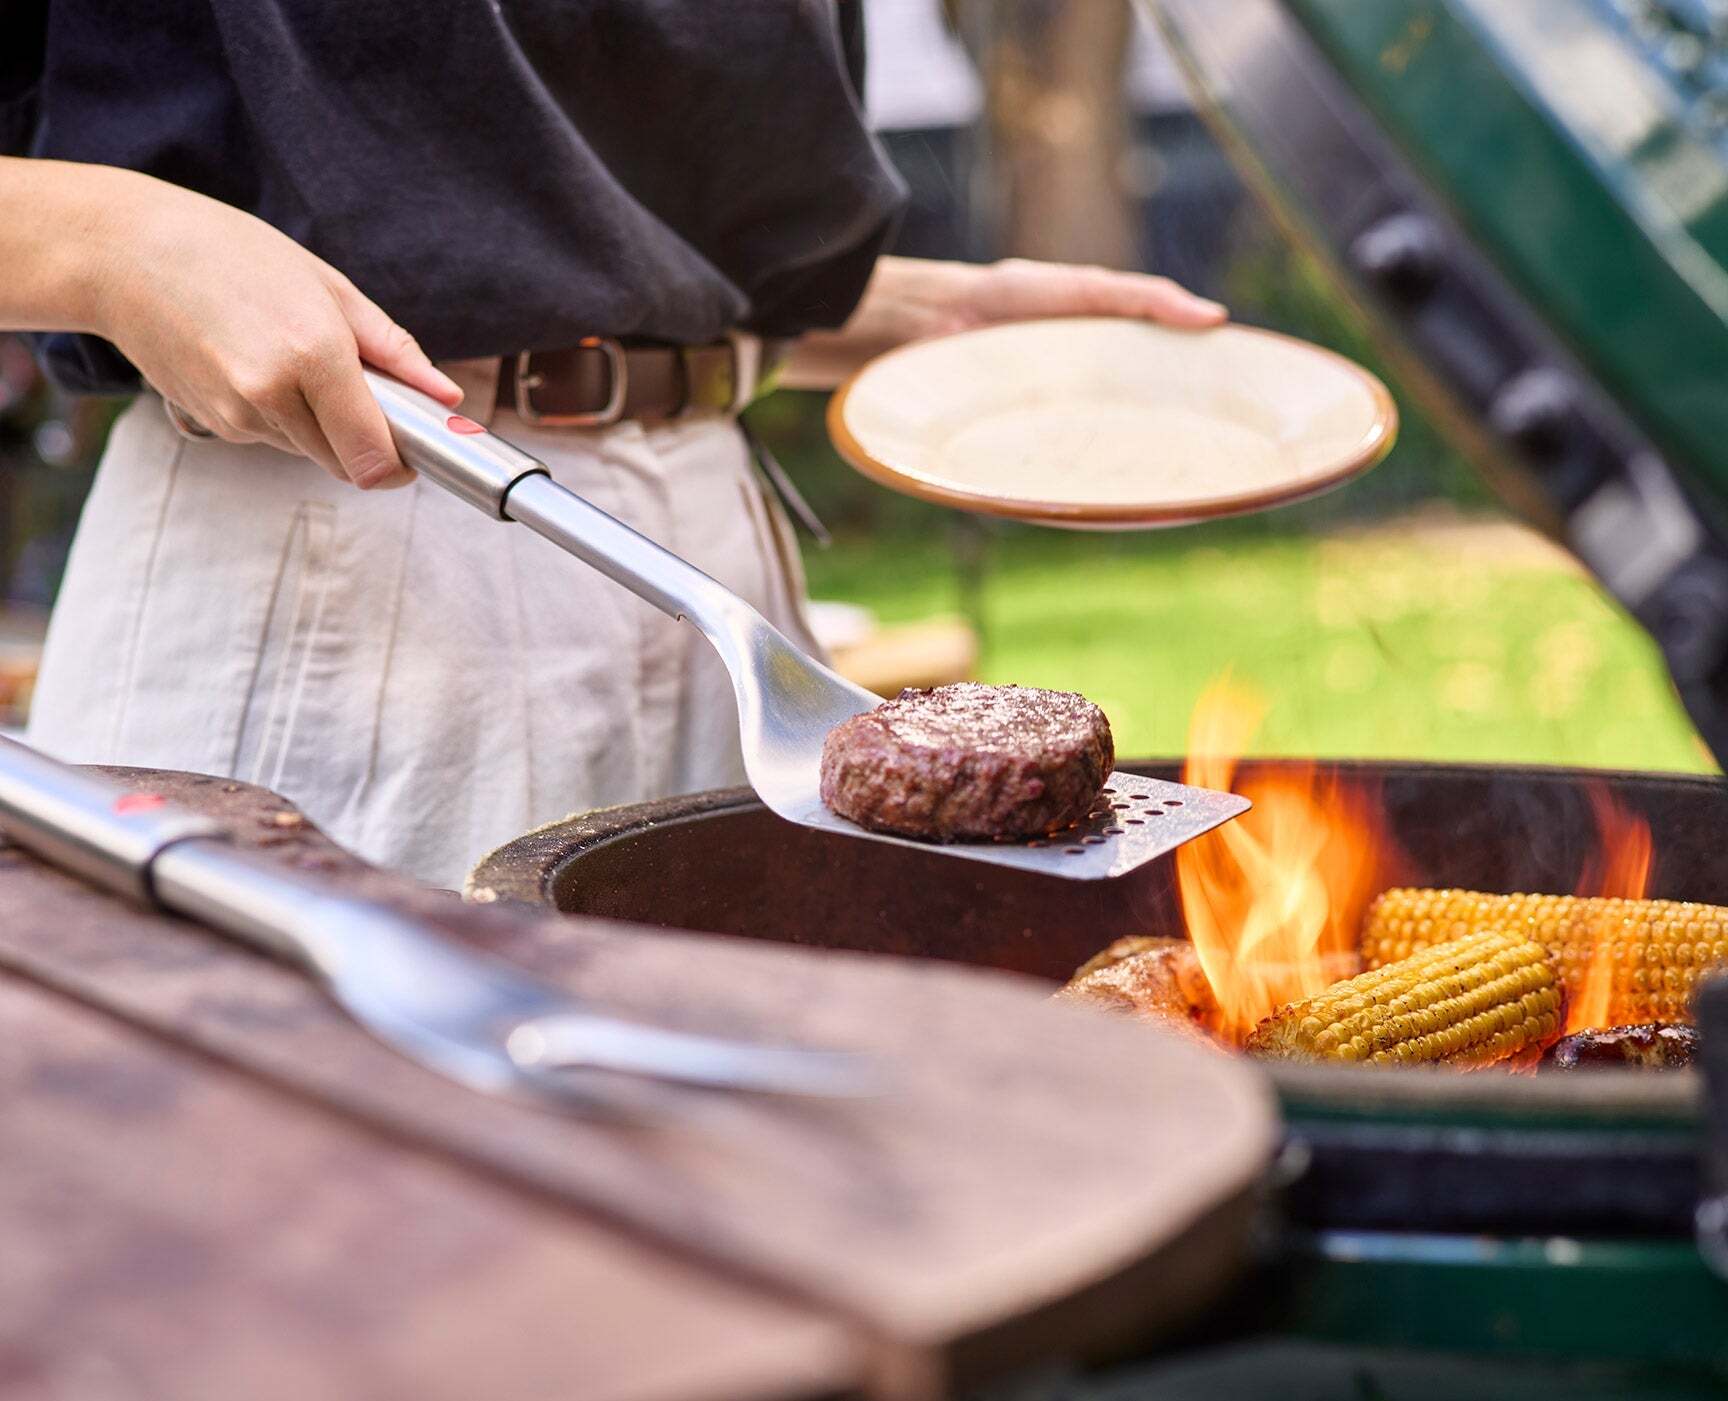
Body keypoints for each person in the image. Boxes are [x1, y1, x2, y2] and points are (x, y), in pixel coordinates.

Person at [1, 2, 1225, 887]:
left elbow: (540, 199)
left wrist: (858, 312)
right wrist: (113, 244)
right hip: (345, 548)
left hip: (717, 552)